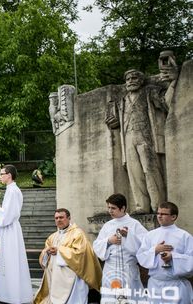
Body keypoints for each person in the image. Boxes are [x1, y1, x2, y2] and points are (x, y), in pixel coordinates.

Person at [105, 69, 167, 213]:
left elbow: (163, 103)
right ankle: (142, 206)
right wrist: (112, 121)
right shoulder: (122, 100)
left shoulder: (148, 92)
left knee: (150, 170)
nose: (131, 81)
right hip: (128, 138)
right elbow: (114, 122)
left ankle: (158, 205)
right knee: (135, 173)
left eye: (134, 78)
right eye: (128, 79)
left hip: (146, 137)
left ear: (141, 81)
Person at [34, 208, 102, 304]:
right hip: (55, 276)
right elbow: (45, 257)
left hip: (71, 276)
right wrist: (47, 252)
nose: (58, 220)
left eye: (61, 217)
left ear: (69, 218)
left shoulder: (78, 233)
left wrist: (59, 250)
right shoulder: (52, 236)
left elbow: (81, 253)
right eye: (56, 218)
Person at [0, 164, 32, 303]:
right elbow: (7, 213)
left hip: (10, 229)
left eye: (2, 174)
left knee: (11, 261)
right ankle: (8, 294)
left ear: (9, 175)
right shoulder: (10, 190)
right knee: (7, 261)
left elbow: (10, 214)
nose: (0, 177)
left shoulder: (13, 191)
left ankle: (13, 295)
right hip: (9, 228)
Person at [93, 193, 148, 302]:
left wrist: (128, 236)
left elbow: (145, 245)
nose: (110, 211)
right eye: (108, 207)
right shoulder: (107, 225)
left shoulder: (134, 224)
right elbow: (96, 245)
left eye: (113, 208)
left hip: (128, 268)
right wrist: (109, 241)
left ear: (123, 208)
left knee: (129, 299)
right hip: (111, 268)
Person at [136, 202, 193, 303]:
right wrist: (155, 250)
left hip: (176, 286)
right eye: (158, 213)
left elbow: (191, 259)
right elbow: (141, 256)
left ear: (173, 216)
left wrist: (173, 257)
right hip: (155, 286)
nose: (159, 216)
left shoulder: (185, 236)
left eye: (163, 214)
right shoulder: (150, 235)